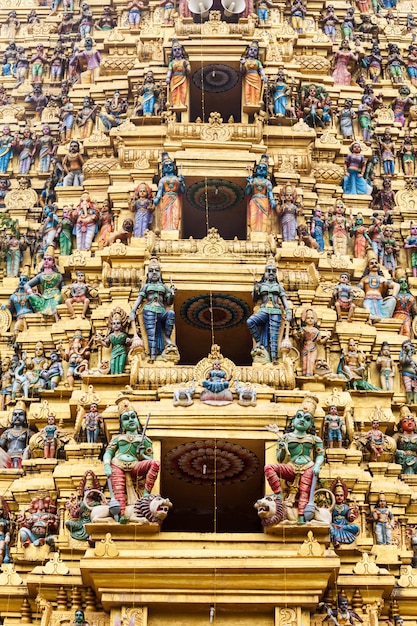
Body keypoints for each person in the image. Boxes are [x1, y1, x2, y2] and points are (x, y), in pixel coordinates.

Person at [264, 407, 325, 523]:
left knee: (304, 491)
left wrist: (317, 465)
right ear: (293, 421)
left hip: (308, 466)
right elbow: (280, 459)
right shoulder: (286, 437)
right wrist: (282, 448)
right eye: (299, 416)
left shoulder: (314, 439)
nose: (302, 420)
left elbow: (320, 454)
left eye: (307, 419)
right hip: (291, 466)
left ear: (311, 425)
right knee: (269, 468)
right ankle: (278, 495)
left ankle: (301, 517)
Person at [103, 404, 160, 518]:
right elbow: (108, 453)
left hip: (135, 465)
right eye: (126, 419)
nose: (130, 420)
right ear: (122, 424)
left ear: (137, 421)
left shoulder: (145, 440)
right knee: (119, 493)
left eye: (133, 417)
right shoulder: (118, 438)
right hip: (117, 464)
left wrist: (142, 454)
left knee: (155, 463)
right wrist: (106, 465)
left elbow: (151, 459)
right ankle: (122, 516)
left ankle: (145, 494)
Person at [130, 259, 177, 363]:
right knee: (152, 333)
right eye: (151, 271)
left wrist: (172, 294)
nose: (154, 273)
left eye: (157, 270)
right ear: (148, 274)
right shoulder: (146, 286)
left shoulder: (164, 287)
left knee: (171, 314)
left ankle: (167, 338)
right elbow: (139, 300)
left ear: (160, 273)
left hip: (161, 310)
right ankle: (152, 356)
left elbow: (169, 302)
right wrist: (133, 310)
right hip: (149, 310)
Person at [246, 258, 292, 364]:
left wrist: (288, 311)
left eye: (273, 271)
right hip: (263, 310)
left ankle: (274, 359)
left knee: (274, 336)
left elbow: (284, 300)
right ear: (265, 273)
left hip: (275, 311)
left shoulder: (278, 287)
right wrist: (255, 289)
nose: (271, 273)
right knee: (250, 321)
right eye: (269, 271)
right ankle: (259, 341)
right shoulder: (261, 285)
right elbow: (254, 299)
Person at [25, 251, 64, 322]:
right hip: (44, 297)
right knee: (31, 297)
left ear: (53, 263)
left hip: (55, 295)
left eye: (49, 259)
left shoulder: (58, 276)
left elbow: (63, 289)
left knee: (56, 305)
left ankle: (55, 316)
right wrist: (31, 292)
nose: (46, 261)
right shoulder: (40, 276)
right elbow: (27, 285)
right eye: (45, 259)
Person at [357, 257, 399, 322]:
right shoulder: (364, 279)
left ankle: (384, 317)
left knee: (392, 300)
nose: (374, 264)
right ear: (368, 267)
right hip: (368, 300)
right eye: (372, 263)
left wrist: (394, 296)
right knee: (366, 306)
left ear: (378, 266)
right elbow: (358, 289)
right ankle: (371, 317)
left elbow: (396, 285)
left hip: (380, 301)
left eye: (376, 263)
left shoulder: (382, 279)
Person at [153, 152, 186, 232]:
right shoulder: (162, 180)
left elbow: (183, 191)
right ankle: (166, 230)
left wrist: (181, 183)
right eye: (166, 166)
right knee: (166, 214)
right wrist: (157, 199)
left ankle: (174, 230)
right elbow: (160, 191)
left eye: (170, 165)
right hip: (166, 198)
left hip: (175, 198)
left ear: (173, 167)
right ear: (163, 169)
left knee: (175, 214)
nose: (168, 167)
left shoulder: (177, 179)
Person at [246, 154, 276, 235]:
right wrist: (249, 184)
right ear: (256, 169)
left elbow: (269, 192)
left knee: (263, 217)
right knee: (253, 216)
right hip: (254, 200)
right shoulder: (253, 180)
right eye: (259, 168)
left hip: (264, 200)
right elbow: (247, 192)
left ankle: (262, 233)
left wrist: (272, 200)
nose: (261, 170)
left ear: (266, 171)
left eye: (264, 168)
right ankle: (254, 232)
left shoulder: (267, 182)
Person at [97, 307, 131, 375]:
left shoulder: (124, 335)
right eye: (114, 323)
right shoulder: (110, 335)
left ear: (122, 325)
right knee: (112, 364)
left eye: (118, 323)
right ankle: (113, 375)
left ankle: (119, 375)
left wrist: (129, 341)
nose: (116, 325)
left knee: (121, 364)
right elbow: (107, 345)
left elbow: (128, 344)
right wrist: (100, 341)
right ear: (111, 325)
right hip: (114, 351)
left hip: (122, 351)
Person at [297, 308, 329, 377]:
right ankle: (304, 374)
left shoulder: (316, 331)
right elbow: (300, 341)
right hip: (305, 347)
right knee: (305, 361)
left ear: (314, 320)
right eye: (308, 318)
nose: (310, 319)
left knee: (311, 361)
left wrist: (326, 338)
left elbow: (320, 342)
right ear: (304, 319)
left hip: (313, 348)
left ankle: (310, 374)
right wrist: (301, 335)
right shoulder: (303, 329)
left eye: (312, 318)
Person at [0, 404, 33, 469]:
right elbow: (1, 444)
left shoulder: (27, 431)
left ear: (25, 418)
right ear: (11, 417)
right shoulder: (7, 432)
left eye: (20, 414)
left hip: (21, 456)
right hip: (8, 456)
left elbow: (34, 442)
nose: (17, 416)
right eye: (15, 414)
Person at [329, 478, 360, 547]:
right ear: (334, 496)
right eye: (337, 495)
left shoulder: (346, 507)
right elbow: (328, 517)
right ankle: (336, 540)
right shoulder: (332, 506)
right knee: (330, 528)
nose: (339, 497)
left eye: (341, 495)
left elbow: (350, 516)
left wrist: (353, 514)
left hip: (343, 526)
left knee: (356, 527)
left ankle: (338, 534)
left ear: (344, 496)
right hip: (334, 525)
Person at [240, 40, 267, 107]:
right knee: (248, 90)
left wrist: (263, 75)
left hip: (256, 77)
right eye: (251, 50)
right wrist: (243, 64)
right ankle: (248, 103)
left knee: (256, 91)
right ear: (248, 51)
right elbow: (242, 71)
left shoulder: (257, 62)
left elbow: (261, 69)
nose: (252, 51)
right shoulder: (245, 61)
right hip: (248, 77)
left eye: (255, 50)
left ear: (257, 53)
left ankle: (255, 103)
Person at [166, 40, 191, 110]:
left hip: (183, 78)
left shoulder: (185, 61)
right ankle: (175, 104)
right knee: (174, 92)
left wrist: (186, 67)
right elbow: (170, 70)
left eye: (178, 49)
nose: (177, 51)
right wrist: (168, 77)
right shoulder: (172, 62)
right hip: (174, 79)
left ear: (181, 51)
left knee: (183, 91)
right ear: (173, 53)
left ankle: (182, 103)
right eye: (175, 50)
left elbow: (189, 71)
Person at [393, 406, 417, 475]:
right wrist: (399, 452)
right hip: (402, 459)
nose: (409, 422)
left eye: (412, 421)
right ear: (400, 425)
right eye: (405, 421)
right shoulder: (397, 436)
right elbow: (391, 448)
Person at [393, 273, 417, 339]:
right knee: (398, 331)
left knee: (407, 330)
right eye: (401, 282)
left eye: (405, 282)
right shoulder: (395, 296)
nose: (404, 283)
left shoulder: (411, 297)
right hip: (396, 315)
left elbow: (415, 311)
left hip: (407, 316)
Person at [399, 339, 417, 405]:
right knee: (408, 388)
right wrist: (406, 353)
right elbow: (403, 362)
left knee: (416, 389)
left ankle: (415, 402)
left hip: (415, 375)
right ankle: (409, 402)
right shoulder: (403, 355)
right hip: (407, 373)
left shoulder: (413, 356)